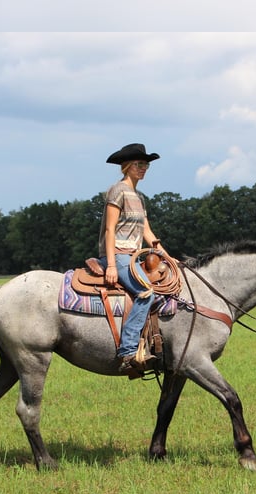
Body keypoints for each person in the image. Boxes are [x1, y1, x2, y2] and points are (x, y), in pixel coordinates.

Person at [98, 143, 167, 375]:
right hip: (119, 254)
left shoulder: (139, 197)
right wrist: (110, 264)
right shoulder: (117, 191)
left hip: (135, 257)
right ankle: (128, 352)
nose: (144, 168)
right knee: (146, 291)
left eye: (146, 164)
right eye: (139, 164)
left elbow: (147, 233)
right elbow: (110, 229)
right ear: (127, 166)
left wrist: (167, 257)